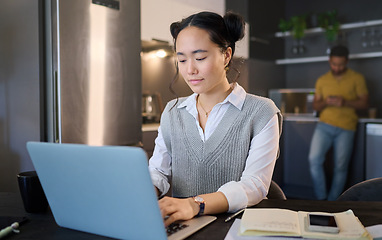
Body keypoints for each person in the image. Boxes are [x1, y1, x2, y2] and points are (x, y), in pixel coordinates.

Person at [148, 11, 282, 227]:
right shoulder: (172, 112)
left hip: (238, 226)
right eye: (181, 59)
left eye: (200, 58)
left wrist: (195, 204)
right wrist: (141, 193)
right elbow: (158, 171)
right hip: (183, 225)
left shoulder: (261, 112)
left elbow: (255, 185)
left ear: (226, 55)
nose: (190, 69)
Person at [308, 45, 369, 201]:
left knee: (340, 167)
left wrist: (345, 102)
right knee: (314, 159)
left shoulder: (357, 78)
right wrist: (326, 102)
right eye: (334, 64)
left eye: (340, 64)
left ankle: (334, 202)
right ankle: (322, 199)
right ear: (330, 61)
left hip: (346, 128)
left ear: (347, 61)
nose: (337, 67)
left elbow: (364, 103)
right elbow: (315, 106)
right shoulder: (322, 80)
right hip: (324, 125)